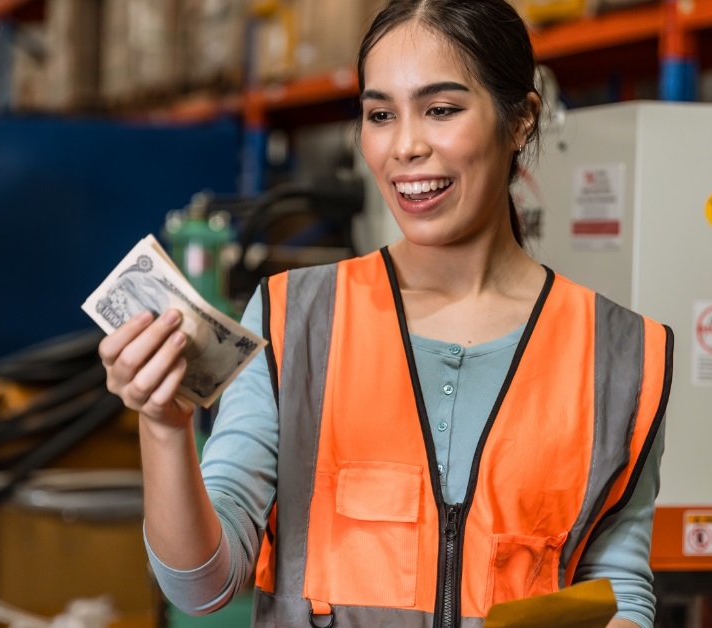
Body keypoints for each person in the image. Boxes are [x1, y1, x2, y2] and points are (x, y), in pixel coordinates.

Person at [98, 1, 673, 627]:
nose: (404, 146)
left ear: (521, 121)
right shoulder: (297, 321)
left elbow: (616, 587)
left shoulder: (622, 354)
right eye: (379, 115)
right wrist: (163, 427)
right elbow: (203, 587)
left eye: (442, 109)